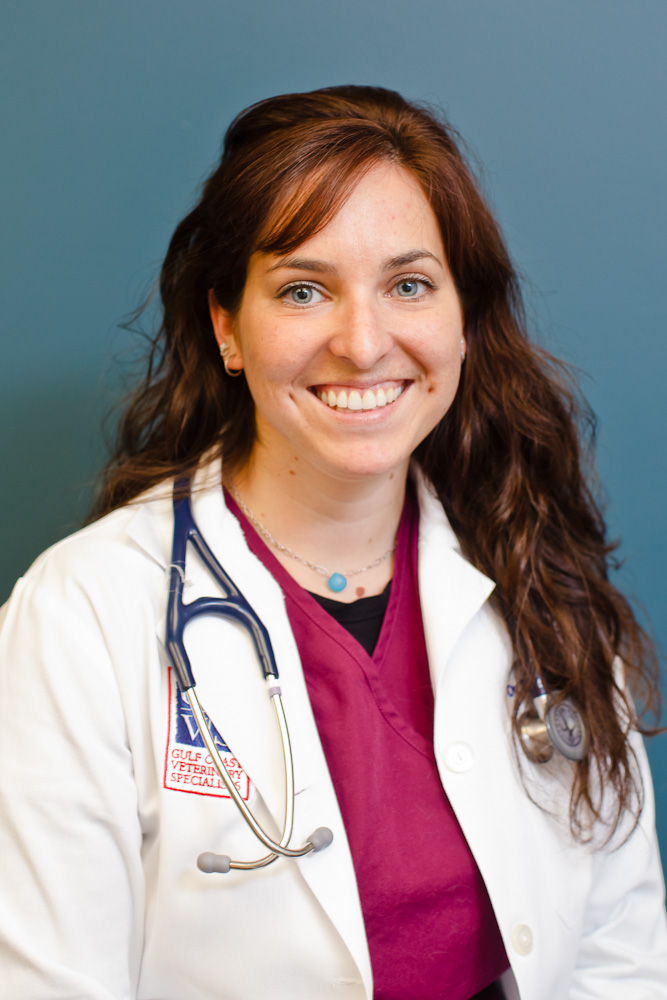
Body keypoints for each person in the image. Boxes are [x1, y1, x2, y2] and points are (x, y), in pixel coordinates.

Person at [0, 85, 665, 1000]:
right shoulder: (83, 614)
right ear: (228, 326)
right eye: (303, 290)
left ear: (462, 318)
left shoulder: (533, 569)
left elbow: (618, 954)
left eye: (408, 285)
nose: (362, 342)